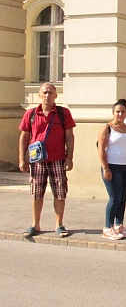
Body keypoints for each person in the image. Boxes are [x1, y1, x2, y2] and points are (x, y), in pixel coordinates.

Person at [19, 83, 76, 238]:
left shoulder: (63, 113)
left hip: (58, 159)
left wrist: (69, 158)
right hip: (37, 161)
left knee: (60, 193)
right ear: (39, 95)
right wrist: (21, 159)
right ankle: (35, 224)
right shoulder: (30, 114)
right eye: (44, 92)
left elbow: (69, 136)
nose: (47, 95)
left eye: (51, 92)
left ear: (56, 95)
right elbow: (24, 137)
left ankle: (59, 225)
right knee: (37, 193)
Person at [97, 99, 126, 240]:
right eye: (117, 112)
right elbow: (101, 149)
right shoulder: (107, 128)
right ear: (113, 113)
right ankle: (107, 227)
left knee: (122, 197)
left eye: (123, 112)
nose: (120, 114)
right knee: (114, 198)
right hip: (113, 167)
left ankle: (119, 224)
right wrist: (106, 168)